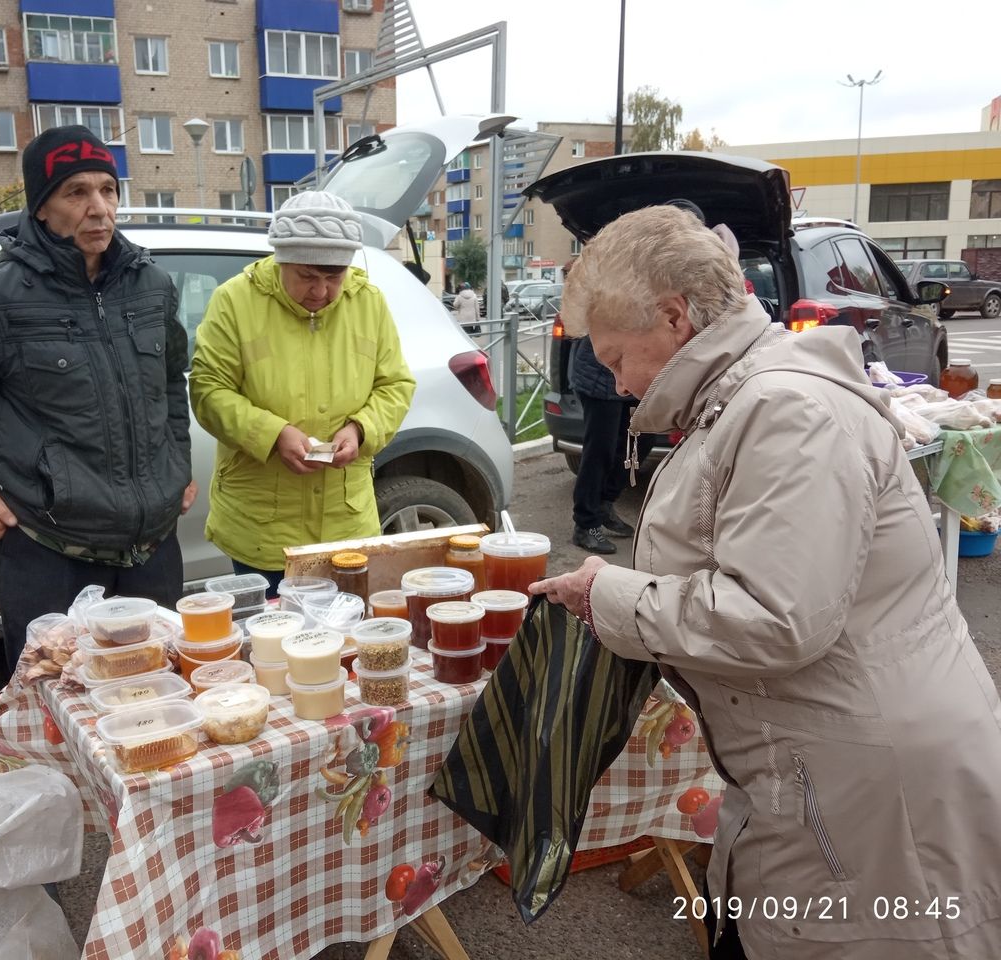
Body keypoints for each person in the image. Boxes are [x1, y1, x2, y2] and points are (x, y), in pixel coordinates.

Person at [531, 204, 1001, 959]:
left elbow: (775, 618)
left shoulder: (787, 410)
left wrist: (608, 596)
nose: (617, 384)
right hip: (828, 765)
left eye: (618, 357)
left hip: (868, 786)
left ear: (676, 319)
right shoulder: (751, 399)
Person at [0, 125, 196, 669]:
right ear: (41, 208)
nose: (98, 208)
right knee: (57, 719)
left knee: (154, 712)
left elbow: (172, 379)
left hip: (151, 553)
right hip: (51, 556)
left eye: (107, 189)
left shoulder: (150, 285)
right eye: (76, 193)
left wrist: (176, 461)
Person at [189, 191, 415, 595]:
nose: (322, 292)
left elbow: (395, 385)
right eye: (308, 277)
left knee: (345, 644)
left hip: (345, 523)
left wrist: (361, 429)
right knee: (274, 646)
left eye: (334, 277)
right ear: (281, 262)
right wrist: (273, 434)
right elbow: (208, 391)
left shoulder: (369, 302)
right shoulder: (234, 301)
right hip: (261, 526)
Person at [564, 258, 654, 555]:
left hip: (629, 372)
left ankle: (605, 504)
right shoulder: (604, 275)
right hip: (598, 376)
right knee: (598, 451)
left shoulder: (650, 273)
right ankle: (585, 524)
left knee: (638, 444)